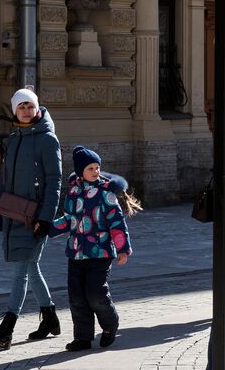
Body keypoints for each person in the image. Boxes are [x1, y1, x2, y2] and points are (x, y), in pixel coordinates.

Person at [0, 88, 63, 349]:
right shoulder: (15, 137)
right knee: (30, 266)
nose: (26, 110)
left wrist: (47, 218)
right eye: (21, 107)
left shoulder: (48, 139)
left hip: (36, 218)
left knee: (20, 270)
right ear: (15, 111)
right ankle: (49, 317)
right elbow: (4, 180)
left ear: (37, 107)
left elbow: (55, 181)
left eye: (30, 105)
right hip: (14, 213)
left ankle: (7, 328)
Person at [37, 146, 139, 351]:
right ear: (81, 171)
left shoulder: (105, 194)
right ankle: (83, 338)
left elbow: (117, 224)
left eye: (97, 167)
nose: (95, 171)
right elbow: (70, 220)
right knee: (77, 298)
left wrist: (122, 249)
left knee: (95, 294)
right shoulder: (74, 192)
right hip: (76, 253)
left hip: (100, 253)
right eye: (90, 168)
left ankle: (110, 324)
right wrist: (49, 228)